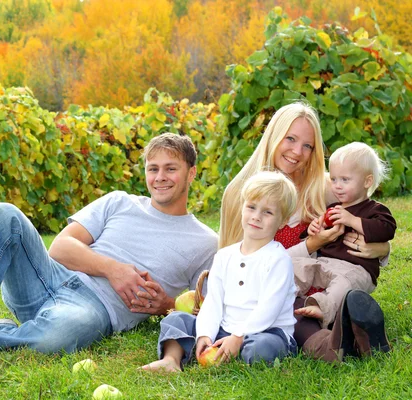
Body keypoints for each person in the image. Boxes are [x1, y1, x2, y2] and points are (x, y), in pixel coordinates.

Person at [0, 132, 218, 367]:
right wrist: (115, 270)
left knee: (57, 336)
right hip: (47, 278)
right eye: (153, 169)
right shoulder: (118, 202)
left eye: (170, 169)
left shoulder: (205, 242)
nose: (160, 177)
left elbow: (205, 309)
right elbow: (60, 247)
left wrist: (164, 303)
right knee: (2, 214)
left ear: (191, 173)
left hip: (93, 310)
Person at [217, 102, 391, 362]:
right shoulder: (240, 193)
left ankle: (350, 331)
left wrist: (381, 249)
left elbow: (369, 215)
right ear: (274, 136)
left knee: (318, 302)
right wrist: (310, 244)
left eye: (307, 145)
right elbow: (238, 267)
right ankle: (344, 339)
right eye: (290, 139)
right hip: (272, 296)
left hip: (321, 287)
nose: (297, 152)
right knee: (291, 309)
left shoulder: (322, 187)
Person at [141, 171, 299, 372]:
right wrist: (205, 334)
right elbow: (214, 301)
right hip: (224, 330)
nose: (256, 217)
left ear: (282, 221)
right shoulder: (225, 256)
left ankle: (237, 355)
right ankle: (171, 360)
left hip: (265, 331)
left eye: (268, 212)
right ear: (242, 207)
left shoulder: (278, 259)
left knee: (263, 348)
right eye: (251, 207)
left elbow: (268, 310)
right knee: (176, 319)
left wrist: (238, 337)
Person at [293, 142, 397, 328]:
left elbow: (387, 229)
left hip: (356, 270)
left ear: (367, 181)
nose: (337, 186)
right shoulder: (334, 208)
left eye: (345, 180)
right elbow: (316, 232)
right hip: (325, 264)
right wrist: (315, 228)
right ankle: (282, 294)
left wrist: (352, 221)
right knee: (297, 266)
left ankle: (322, 308)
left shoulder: (375, 210)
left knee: (342, 285)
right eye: (333, 179)